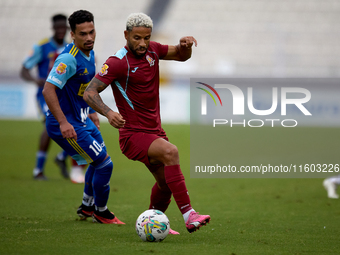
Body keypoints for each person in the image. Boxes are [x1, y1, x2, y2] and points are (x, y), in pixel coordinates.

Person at [84, 12, 210, 233]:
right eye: (137, 38)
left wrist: (186, 45)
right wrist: (108, 112)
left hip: (154, 131)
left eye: (146, 38)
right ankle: (190, 215)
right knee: (171, 152)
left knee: (166, 185)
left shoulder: (153, 49)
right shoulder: (117, 62)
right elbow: (90, 92)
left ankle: (151, 224)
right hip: (132, 135)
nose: (142, 43)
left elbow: (181, 56)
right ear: (126, 34)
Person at [42, 10, 124, 224]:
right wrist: (63, 122)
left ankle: (87, 206)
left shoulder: (90, 55)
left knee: (99, 161)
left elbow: (85, 88)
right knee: (105, 165)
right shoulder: (68, 59)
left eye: (91, 32)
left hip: (82, 118)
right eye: (83, 34)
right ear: (73, 34)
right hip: (66, 123)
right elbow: (48, 90)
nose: (89, 38)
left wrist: (93, 111)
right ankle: (101, 211)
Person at [20, 14, 70, 180]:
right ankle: (38, 170)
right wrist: (36, 80)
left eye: (65, 27)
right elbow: (24, 69)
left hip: (64, 95)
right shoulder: (42, 47)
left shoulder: (70, 48)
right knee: (50, 127)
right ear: (54, 28)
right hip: (45, 95)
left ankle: (62, 157)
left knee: (77, 125)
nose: (62, 30)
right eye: (59, 27)